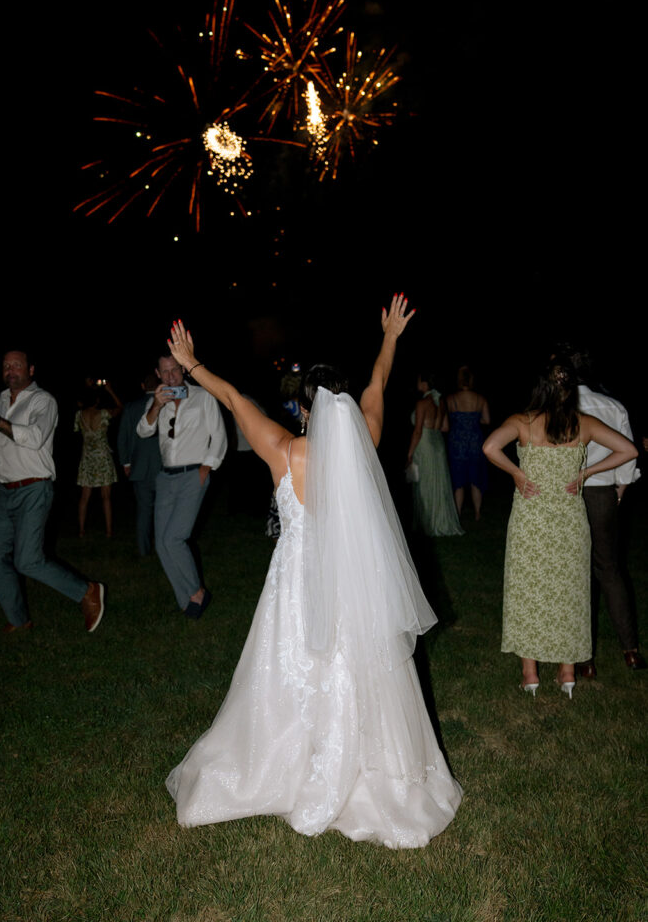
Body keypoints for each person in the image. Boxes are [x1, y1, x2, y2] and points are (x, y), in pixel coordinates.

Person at [164, 296, 462, 849]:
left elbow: (233, 398)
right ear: (342, 407)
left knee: (290, 670)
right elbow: (379, 381)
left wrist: (193, 363)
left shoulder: (282, 450)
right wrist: (390, 336)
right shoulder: (367, 440)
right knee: (357, 667)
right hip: (356, 589)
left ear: (303, 409)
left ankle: (287, 765)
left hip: (297, 589)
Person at [483, 358, 637, 698]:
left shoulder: (522, 422)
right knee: (571, 591)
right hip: (569, 521)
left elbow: (490, 447)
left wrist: (517, 473)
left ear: (541, 388)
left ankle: (530, 675)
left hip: (530, 521)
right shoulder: (584, 424)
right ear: (569, 391)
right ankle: (567, 674)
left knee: (528, 591)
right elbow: (628, 450)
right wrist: (587, 473)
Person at [0, 351, 104, 633]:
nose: (10, 370)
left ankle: (87, 591)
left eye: (16, 365)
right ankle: (18, 620)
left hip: (33, 487)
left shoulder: (44, 401)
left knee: (27, 560)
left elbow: (35, 438)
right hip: (2, 491)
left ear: (30, 369)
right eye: (5, 365)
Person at [554, 344, 645, 675]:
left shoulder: (560, 407)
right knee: (609, 568)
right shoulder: (613, 405)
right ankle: (630, 651)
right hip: (604, 492)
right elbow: (629, 453)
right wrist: (620, 487)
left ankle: (585, 660)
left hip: (571, 492)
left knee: (577, 573)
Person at [137, 354, 227, 617]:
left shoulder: (202, 397)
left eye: (175, 370)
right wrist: (156, 405)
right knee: (162, 543)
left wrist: (206, 467)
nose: (170, 377)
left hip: (192, 474)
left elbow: (219, 434)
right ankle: (187, 599)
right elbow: (143, 431)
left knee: (174, 538)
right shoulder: (158, 399)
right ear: (157, 373)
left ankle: (196, 593)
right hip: (165, 477)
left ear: (183, 370)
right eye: (164, 372)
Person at [407, 374, 464, 537]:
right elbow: (445, 427)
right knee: (438, 481)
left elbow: (417, 431)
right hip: (438, 443)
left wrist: (409, 453)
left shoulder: (422, 403)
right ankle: (440, 520)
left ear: (424, 383)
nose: (417, 383)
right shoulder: (441, 402)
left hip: (425, 444)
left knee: (425, 482)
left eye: (419, 380)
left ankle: (428, 523)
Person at [117, 373, 162, 555]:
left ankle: (144, 550)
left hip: (140, 467)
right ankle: (163, 549)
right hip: (163, 466)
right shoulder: (165, 404)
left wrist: (126, 463)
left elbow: (123, 438)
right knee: (163, 511)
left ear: (143, 385)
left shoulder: (131, 407)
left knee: (144, 511)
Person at [74, 380, 122, 538]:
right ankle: (108, 531)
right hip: (102, 458)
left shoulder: (79, 415)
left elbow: (76, 431)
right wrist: (110, 390)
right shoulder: (104, 414)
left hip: (87, 458)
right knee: (106, 497)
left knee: (84, 497)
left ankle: (81, 531)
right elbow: (120, 407)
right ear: (97, 400)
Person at [446, 366, 490, 521]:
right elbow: (487, 420)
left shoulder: (451, 399)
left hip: (457, 442)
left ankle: (457, 513)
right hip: (475, 442)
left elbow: (447, 423)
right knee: (475, 478)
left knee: (458, 479)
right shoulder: (480, 399)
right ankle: (477, 513)